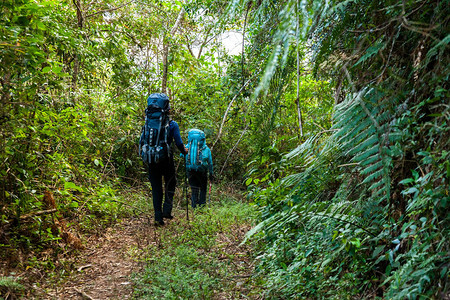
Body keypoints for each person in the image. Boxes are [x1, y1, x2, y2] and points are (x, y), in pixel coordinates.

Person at [143, 93, 187, 226]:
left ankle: (158, 218)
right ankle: (166, 210)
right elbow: (179, 143)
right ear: (167, 109)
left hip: (151, 159)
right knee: (170, 184)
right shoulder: (172, 125)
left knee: (156, 188)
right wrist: (184, 151)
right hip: (166, 160)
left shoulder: (147, 123)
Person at [186, 129, 214, 208]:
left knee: (194, 190)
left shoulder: (187, 147)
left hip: (190, 171)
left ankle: (194, 207)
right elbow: (210, 163)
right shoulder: (206, 149)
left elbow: (182, 155)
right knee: (203, 189)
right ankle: (202, 207)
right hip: (202, 172)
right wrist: (211, 174)